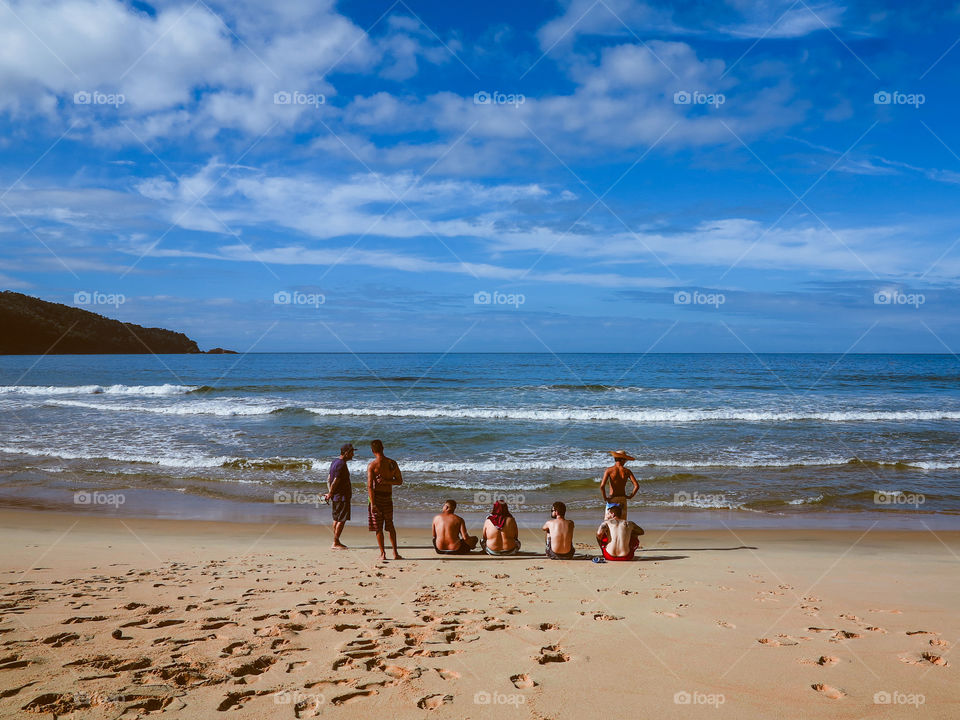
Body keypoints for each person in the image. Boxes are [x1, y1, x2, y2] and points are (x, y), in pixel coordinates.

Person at [367, 439, 403, 561]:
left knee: (378, 528)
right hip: (387, 497)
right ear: (383, 448)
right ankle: (395, 553)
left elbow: (370, 486)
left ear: (372, 451)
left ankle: (382, 553)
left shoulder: (372, 465)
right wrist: (387, 481)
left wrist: (372, 503)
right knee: (390, 525)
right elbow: (399, 481)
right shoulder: (392, 463)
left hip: (376, 497)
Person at [323, 442, 354, 549]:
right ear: (346, 453)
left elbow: (329, 478)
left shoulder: (335, 462)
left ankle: (336, 540)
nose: (353, 454)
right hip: (342, 497)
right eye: (351, 452)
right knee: (342, 519)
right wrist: (330, 493)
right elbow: (336, 480)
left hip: (336, 496)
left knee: (336, 518)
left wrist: (330, 493)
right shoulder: (341, 464)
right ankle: (335, 542)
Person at [600, 449, 640, 520]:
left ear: (615, 459)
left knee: (608, 523)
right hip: (622, 499)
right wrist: (631, 496)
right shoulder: (627, 471)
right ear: (622, 460)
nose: (625, 462)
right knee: (622, 522)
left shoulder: (609, 470)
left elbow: (602, 486)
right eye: (625, 460)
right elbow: (636, 486)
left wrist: (605, 497)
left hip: (612, 499)